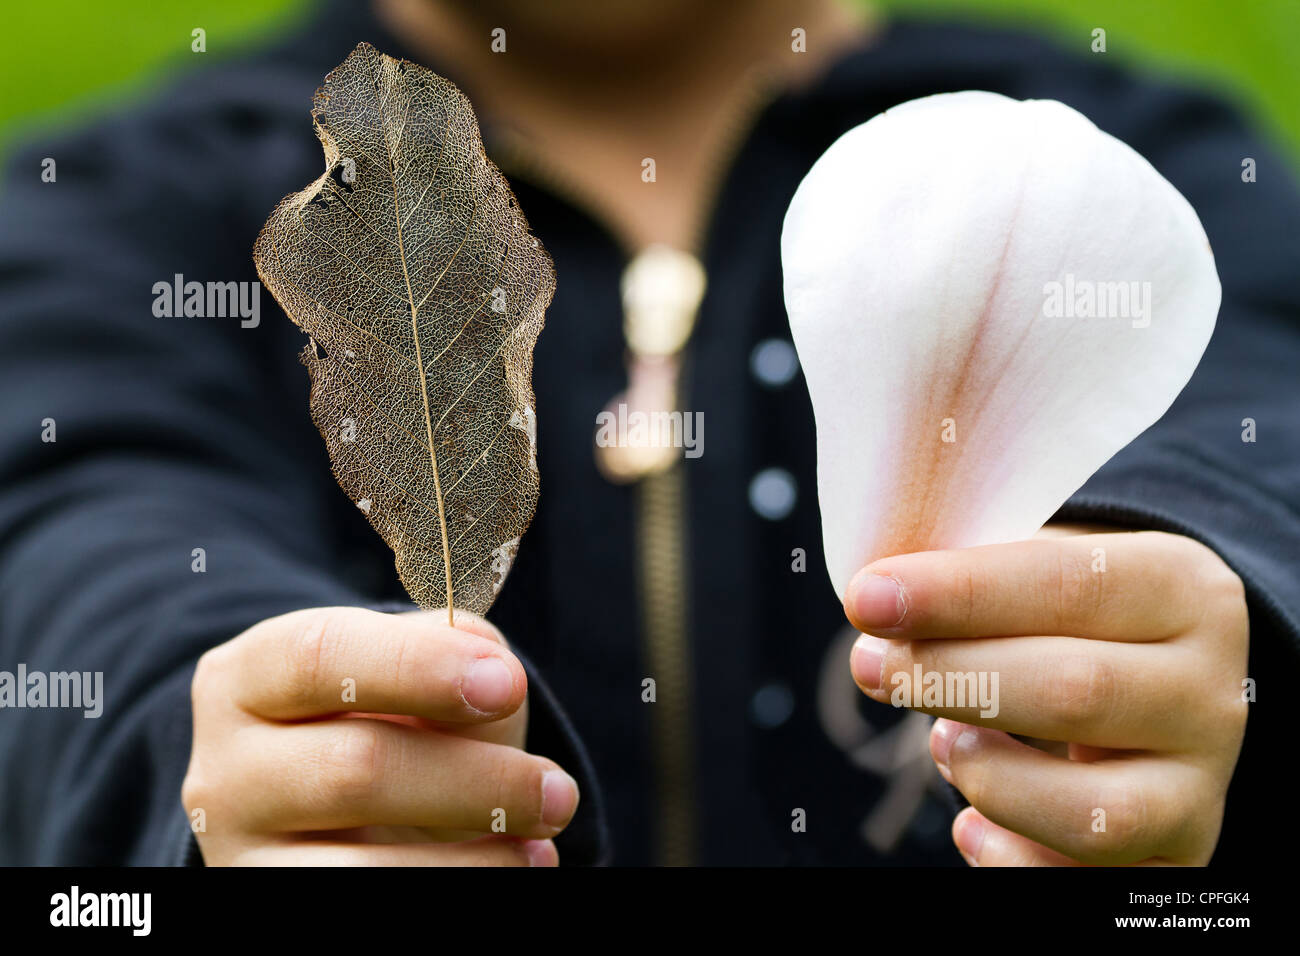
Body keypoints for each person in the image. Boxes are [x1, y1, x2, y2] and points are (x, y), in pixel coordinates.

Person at [0, 0, 1295, 866]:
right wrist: (213, 744)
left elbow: (1258, 440)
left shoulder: (1145, 160)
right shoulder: (119, 216)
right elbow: (80, 539)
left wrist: (1204, 608)